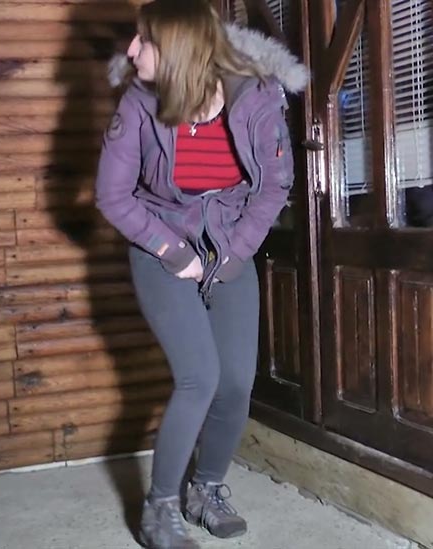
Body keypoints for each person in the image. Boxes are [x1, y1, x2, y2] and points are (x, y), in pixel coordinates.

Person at [96, 1, 308, 547]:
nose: (132, 50)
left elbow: (274, 186)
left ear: (179, 49)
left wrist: (234, 255)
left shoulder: (256, 96)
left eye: (144, 40)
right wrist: (174, 253)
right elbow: (113, 196)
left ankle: (206, 490)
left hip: (229, 247)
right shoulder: (140, 102)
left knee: (236, 384)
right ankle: (159, 508)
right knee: (199, 378)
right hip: (160, 247)